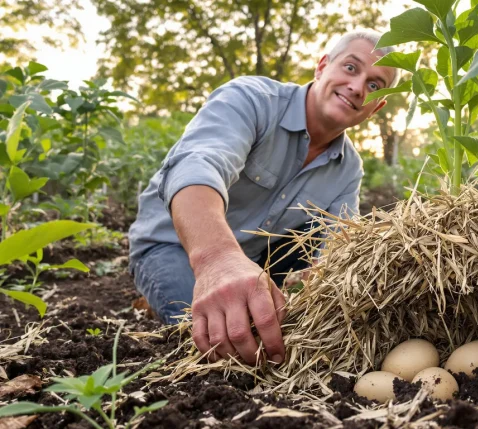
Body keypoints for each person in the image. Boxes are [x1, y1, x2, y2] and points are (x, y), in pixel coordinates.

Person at [128, 29, 399, 366]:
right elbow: (197, 166)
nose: (358, 87)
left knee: (285, 336)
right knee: (219, 347)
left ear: (376, 108)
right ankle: (169, 288)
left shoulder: (348, 169)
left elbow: (337, 251)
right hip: (173, 245)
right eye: (350, 68)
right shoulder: (251, 100)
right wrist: (217, 259)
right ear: (322, 66)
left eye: (374, 85)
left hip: (257, 259)